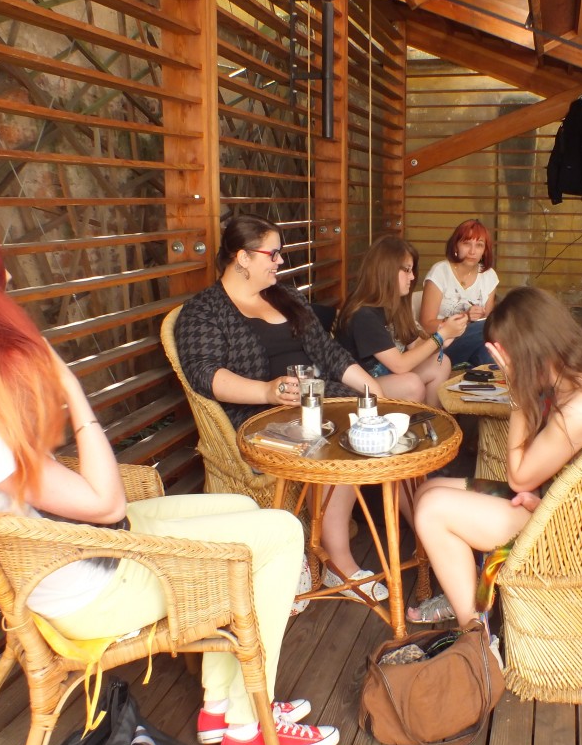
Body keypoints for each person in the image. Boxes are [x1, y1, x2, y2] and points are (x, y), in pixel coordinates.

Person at [0, 208, 338, 745]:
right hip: (87, 586)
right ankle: (246, 728)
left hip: (59, 551)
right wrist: (69, 386)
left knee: (237, 505)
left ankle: (221, 706)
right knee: (280, 532)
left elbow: (37, 489)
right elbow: (106, 504)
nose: (7, 278)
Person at [174, 214, 389, 602]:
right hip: (259, 418)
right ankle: (339, 564)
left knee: (368, 422)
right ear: (243, 257)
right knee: (344, 439)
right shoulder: (204, 310)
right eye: (272, 254)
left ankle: (341, 546)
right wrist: (267, 391)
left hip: (317, 400)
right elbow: (205, 375)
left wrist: (373, 391)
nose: (280, 261)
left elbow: (328, 352)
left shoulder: (285, 297)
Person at [406, 287, 582, 625]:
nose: (503, 366)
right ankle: (463, 591)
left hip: (572, 534)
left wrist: (516, 391)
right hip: (559, 505)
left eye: (506, 358)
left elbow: (519, 478)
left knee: (431, 510)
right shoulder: (575, 379)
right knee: (428, 489)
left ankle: (476, 636)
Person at [334, 236, 469, 407]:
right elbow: (399, 365)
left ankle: (431, 418)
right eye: (407, 270)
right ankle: (413, 422)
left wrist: (443, 337)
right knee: (412, 385)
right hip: (357, 387)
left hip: (384, 376)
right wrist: (440, 336)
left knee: (441, 362)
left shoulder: (394, 304)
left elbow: (416, 344)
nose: (412, 277)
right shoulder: (364, 314)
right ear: (386, 271)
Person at [419, 219, 499, 368]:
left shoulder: (489, 276)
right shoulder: (440, 272)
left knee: (490, 356)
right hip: (442, 344)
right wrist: (466, 317)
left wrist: (481, 316)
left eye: (479, 245)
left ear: (485, 250)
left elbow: (487, 322)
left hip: (475, 343)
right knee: (487, 328)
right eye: (467, 243)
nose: (472, 251)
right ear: (456, 245)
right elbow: (426, 325)